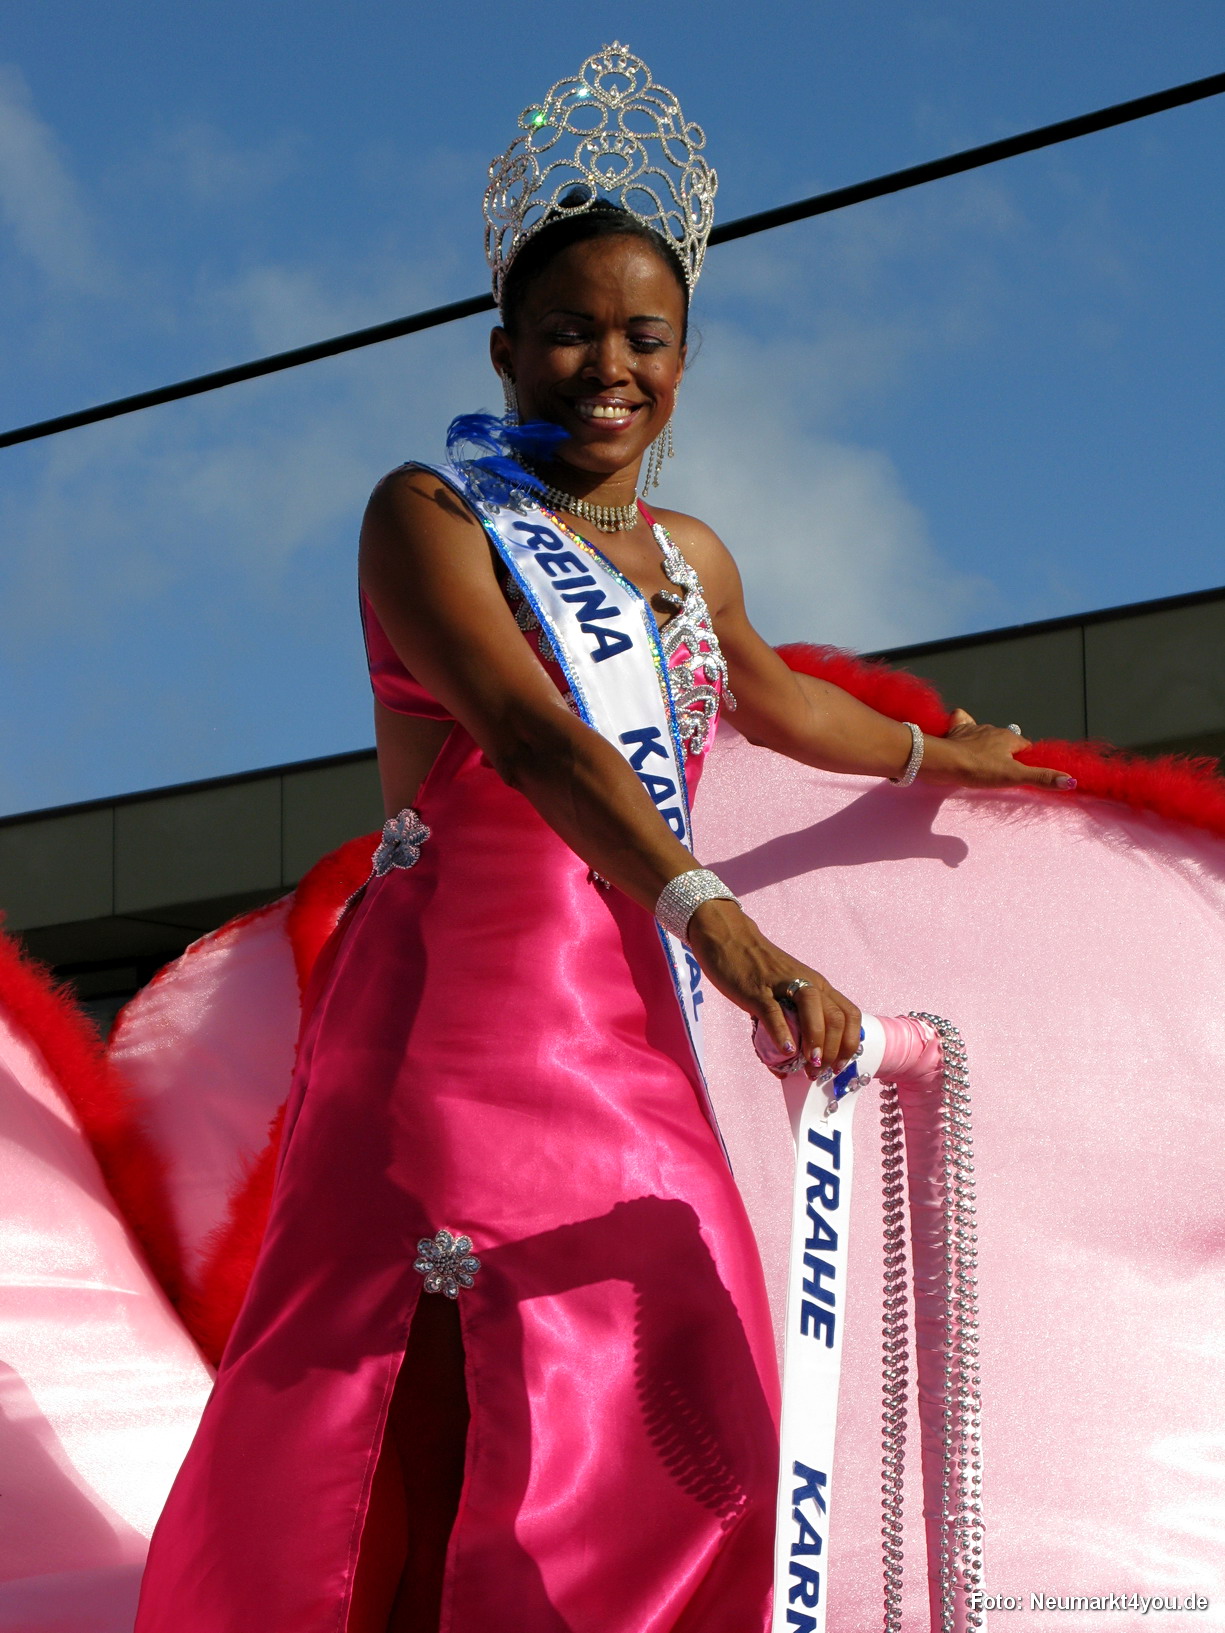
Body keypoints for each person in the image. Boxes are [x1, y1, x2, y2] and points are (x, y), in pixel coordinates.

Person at [131, 43, 1071, 1633]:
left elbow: (768, 696)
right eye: (568, 333)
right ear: (503, 347)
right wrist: (715, 914)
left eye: (644, 336)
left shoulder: (687, 552)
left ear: (687, 363)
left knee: (674, 1342)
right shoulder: (426, 515)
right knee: (461, 1349)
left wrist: (937, 751)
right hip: (466, 1009)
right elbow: (529, 732)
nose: (605, 366)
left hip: (635, 1015)